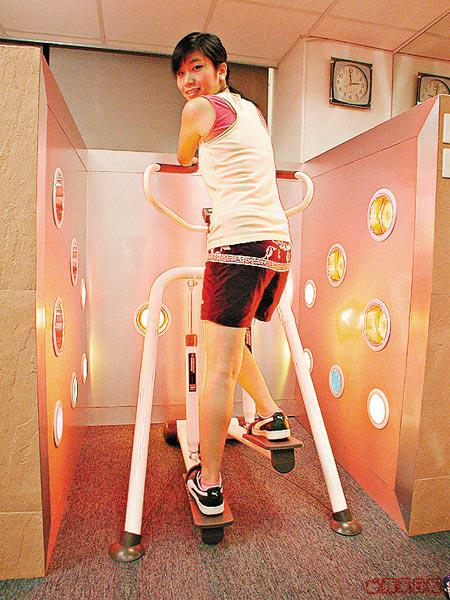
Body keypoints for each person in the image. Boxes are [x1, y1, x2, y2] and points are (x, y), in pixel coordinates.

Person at [172, 32, 292, 517]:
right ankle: (271, 416)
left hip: (237, 246)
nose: (188, 80)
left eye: (197, 68)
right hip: (276, 247)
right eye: (181, 73)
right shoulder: (252, 111)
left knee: (216, 368)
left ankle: (210, 484)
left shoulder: (199, 109)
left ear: (221, 70)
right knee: (230, 345)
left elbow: (184, 156)